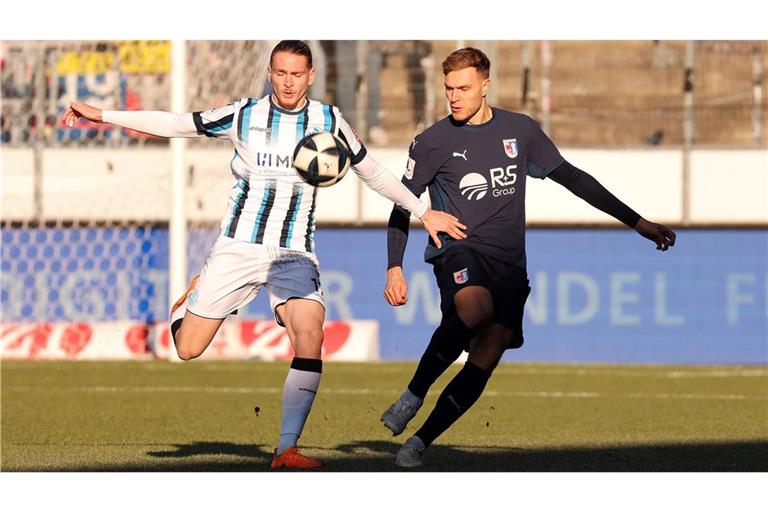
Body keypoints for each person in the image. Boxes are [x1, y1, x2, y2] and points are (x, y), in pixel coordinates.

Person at [63, 40, 466, 470]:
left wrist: (423, 211)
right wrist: (103, 114)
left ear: (311, 75)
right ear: (270, 73)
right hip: (239, 246)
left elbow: (372, 172)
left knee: (311, 332)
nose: (288, 82)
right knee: (187, 348)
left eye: (297, 74)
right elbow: (177, 123)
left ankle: (286, 449)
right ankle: (191, 299)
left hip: (294, 250)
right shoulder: (244, 115)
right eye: (280, 73)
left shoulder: (329, 121)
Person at [380, 47, 676, 468]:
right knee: (474, 306)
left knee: (490, 347)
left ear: (486, 85)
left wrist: (637, 222)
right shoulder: (432, 142)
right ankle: (413, 393)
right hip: (459, 249)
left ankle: (420, 442)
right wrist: (395, 266)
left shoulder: (520, 130)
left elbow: (572, 178)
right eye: (448, 89)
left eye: (463, 87)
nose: (454, 97)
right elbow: (400, 205)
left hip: (510, 264)